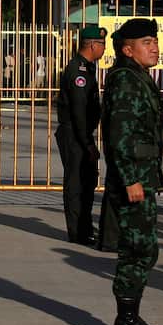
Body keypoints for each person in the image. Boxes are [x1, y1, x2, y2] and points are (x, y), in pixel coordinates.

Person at [102, 18, 163, 325]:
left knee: (142, 248)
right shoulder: (127, 81)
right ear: (128, 50)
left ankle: (128, 317)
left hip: (141, 175)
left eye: (154, 40)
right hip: (133, 179)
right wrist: (130, 179)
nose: (154, 46)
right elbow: (120, 135)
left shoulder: (136, 77)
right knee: (138, 249)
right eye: (146, 42)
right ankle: (126, 321)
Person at [56, 26, 105, 245]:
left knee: (87, 182)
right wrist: (87, 143)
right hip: (75, 134)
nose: (104, 49)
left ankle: (84, 227)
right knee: (76, 184)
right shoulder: (78, 72)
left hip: (81, 132)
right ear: (93, 45)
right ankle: (77, 232)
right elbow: (78, 111)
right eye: (102, 44)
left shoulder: (86, 68)